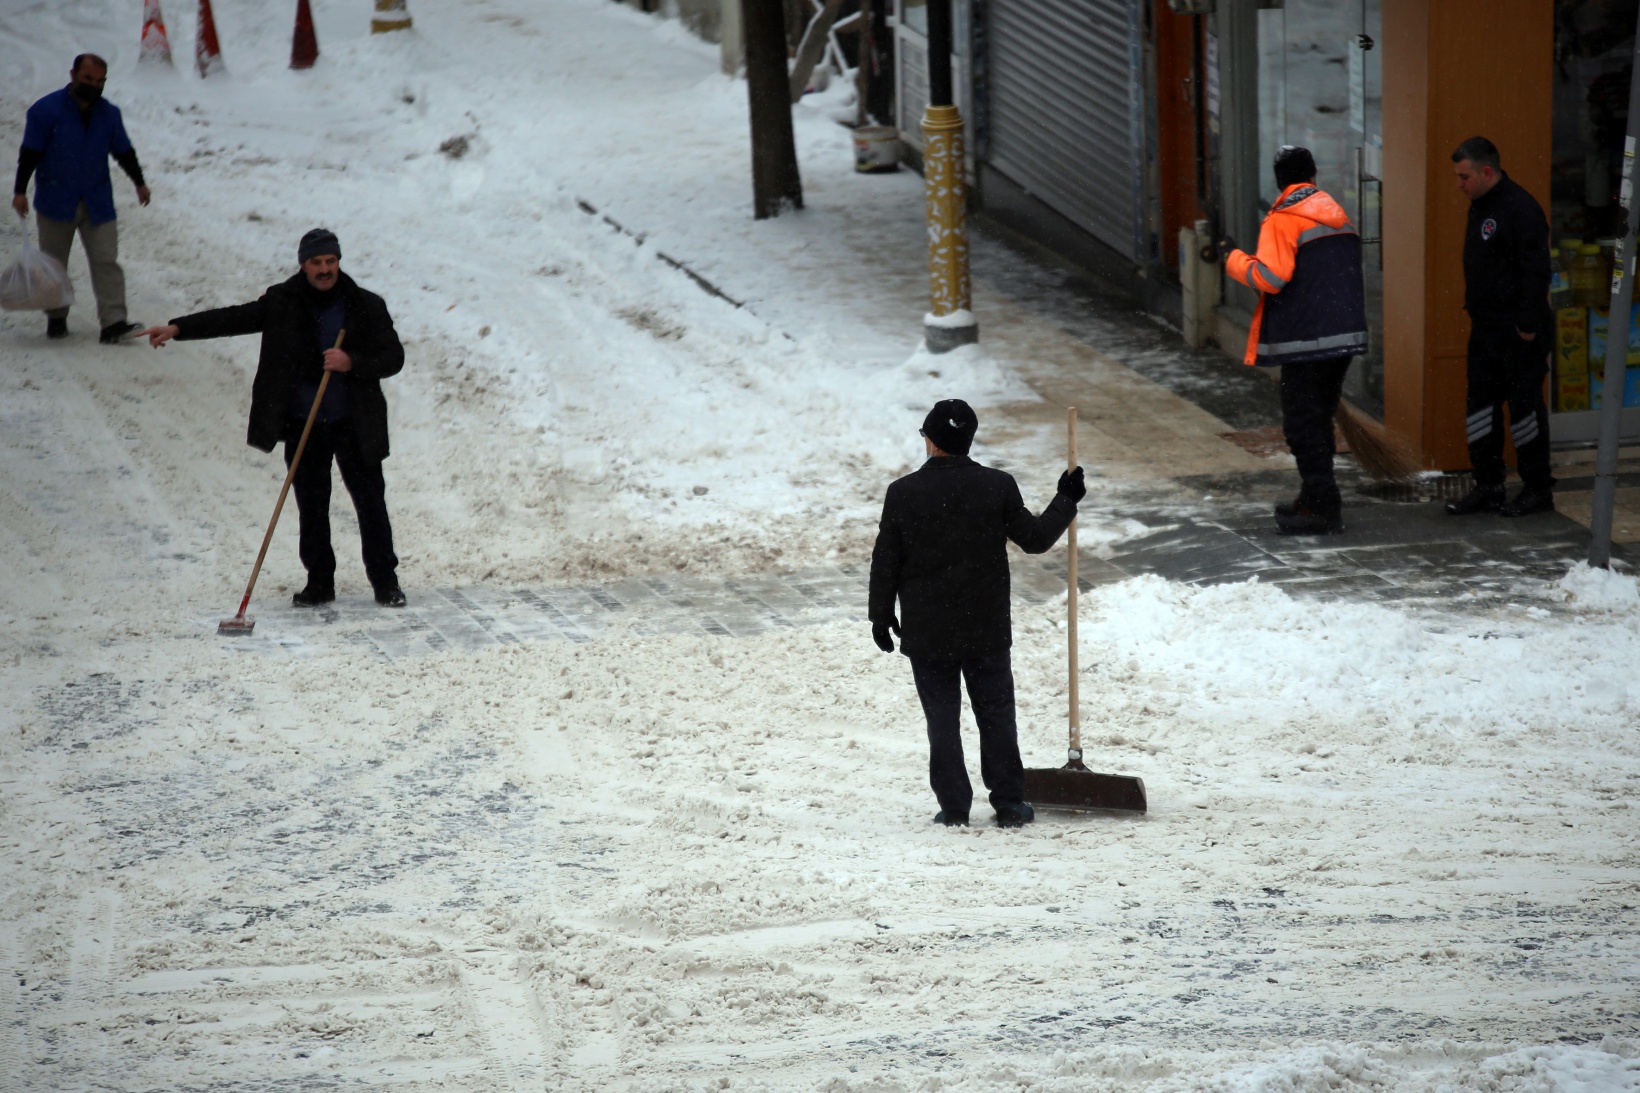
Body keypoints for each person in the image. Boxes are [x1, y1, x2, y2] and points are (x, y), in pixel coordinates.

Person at [135, 229, 407, 608]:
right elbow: (235, 318)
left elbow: (393, 357)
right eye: (317, 262)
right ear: (303, 265)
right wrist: (179, 328)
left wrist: (352, 362)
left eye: (331, 261)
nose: (325, 269)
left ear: (338, 262)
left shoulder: (364, 304)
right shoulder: (284, 301)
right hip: (304, 422)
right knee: (311, 506)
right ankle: (319, 582)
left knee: (370, 504)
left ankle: (385, 582)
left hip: (353, 423)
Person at [868, 399, 1084, 829]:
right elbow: (1036, 539)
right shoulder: (996, 485)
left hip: (928, 631)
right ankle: (1008, 803)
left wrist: (880, 614)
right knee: (996, 714)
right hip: (983, 627)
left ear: (931, 440)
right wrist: (1066, 499)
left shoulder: (903, 492)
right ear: (967, 441)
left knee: (942, 720)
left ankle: (953, 807)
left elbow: (886, 559)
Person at [1221, 146, 1368, 535]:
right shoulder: (1338, 215)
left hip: (1306, 339)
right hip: (1343, 335)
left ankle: (1322, 506)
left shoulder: (1283, 219)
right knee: (1317, 421)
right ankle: (1315, 497)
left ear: (1279, 181)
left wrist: (1233, 259)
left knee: (1303, 426)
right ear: (1313, 176)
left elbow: (1271, 277)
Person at [1445, 136, 1555, 518]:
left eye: (1464, 176)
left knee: (1524, 411)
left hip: (1517, 332)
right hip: (1486, 329)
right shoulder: (1480, 205)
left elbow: (1536, 270)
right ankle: (1488, 484)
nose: (1459, 184)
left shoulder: (1518, 207)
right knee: (1480, 407)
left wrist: (1526, 326)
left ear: (1486, 171)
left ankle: (1538, 488)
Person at [11, 53, 150, 344]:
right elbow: (31, 152)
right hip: (55, 199)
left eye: (100, 81)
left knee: (106, 260)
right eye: (88, 79)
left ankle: (113, 323)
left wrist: (139, 183)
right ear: (73, 74)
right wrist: (20, 190)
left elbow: (123, 151)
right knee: (54, 263)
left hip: (97, 200)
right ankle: (56, 316)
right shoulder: (46, 111)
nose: (94, 85)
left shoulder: (109, 114)